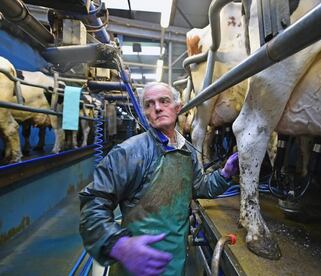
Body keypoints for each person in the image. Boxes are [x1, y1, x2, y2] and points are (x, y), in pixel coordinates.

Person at [79, 82, 239, 276]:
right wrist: (117, 245)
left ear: (178, 108)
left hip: (174, 263)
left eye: (164, 101)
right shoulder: (129, 152)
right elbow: (93, 203)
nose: (157, 107)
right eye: (149, 104)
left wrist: (225, 174)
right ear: (145, 113)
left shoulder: (186, 151)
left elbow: (199, 187)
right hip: (136, 267)